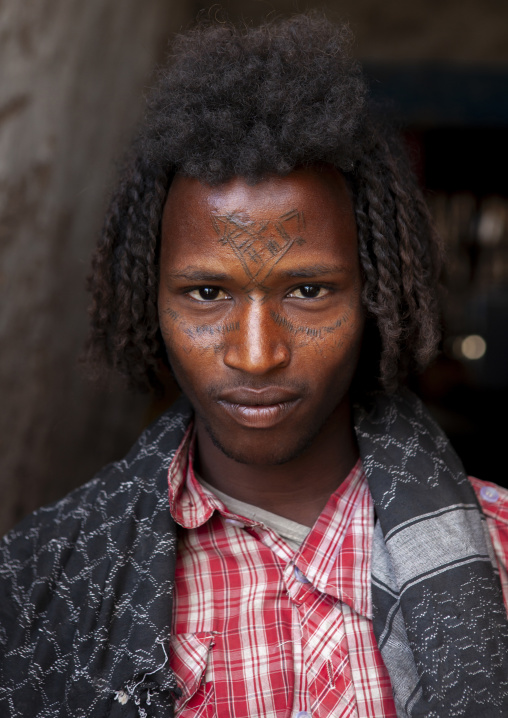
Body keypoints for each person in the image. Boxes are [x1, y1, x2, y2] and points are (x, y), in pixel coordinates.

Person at [1, 13, 508, 718]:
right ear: (147, 298)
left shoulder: (499, 551)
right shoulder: (40, 580)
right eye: (207, 294)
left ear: (377, 295)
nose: (256, 353)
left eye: (308, 291)